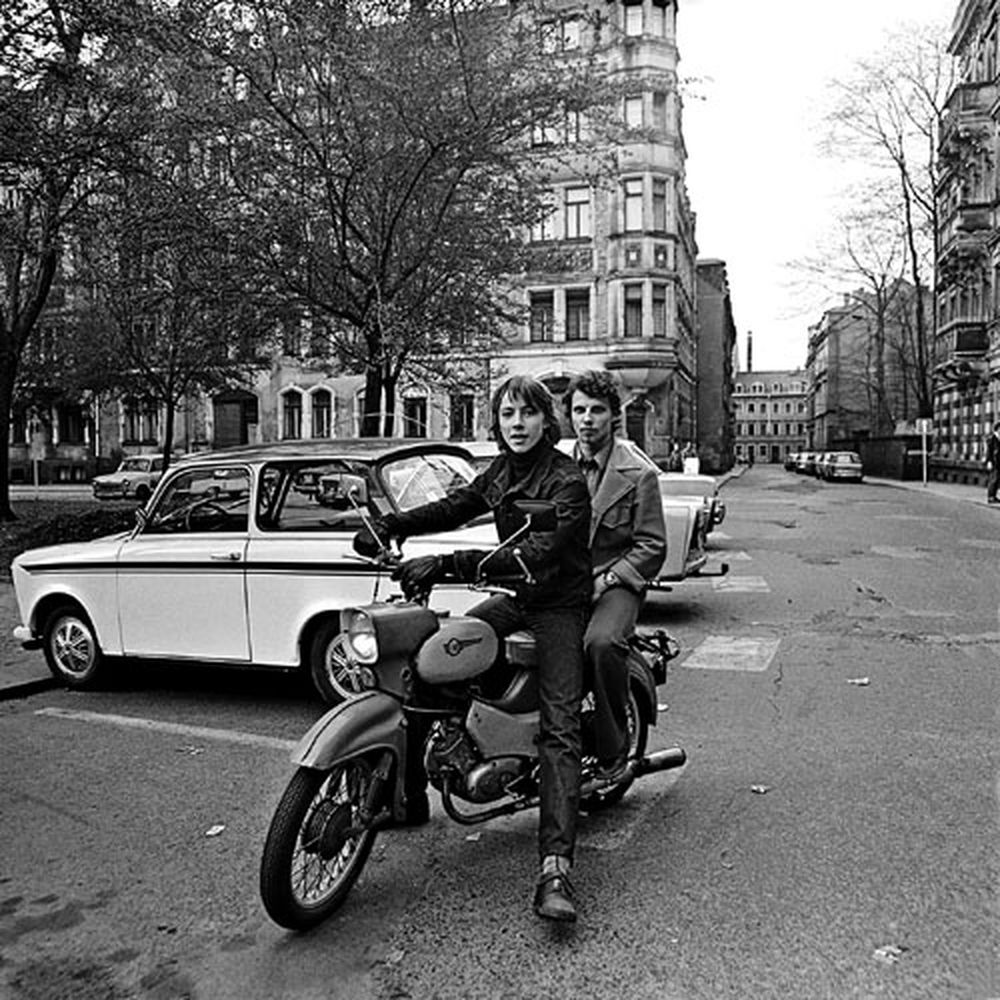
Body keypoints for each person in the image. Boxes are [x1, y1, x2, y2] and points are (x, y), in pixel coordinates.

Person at [357, 375, 591, 923]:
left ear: (545, 420)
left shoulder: (566, 480)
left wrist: (445, 564)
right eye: (507, 414)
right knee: (428, 663)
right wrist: (392, 526)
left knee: (560, 725)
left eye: (527, 413)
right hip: (515, 598)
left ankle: (556, 867)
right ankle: (409, 798)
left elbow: (539, 550)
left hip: (558, 605)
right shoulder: (503, 471)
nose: (516, 423)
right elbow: (456, 505)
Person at [565, 371, 666, 782]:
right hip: (566, 581)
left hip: (616, 582)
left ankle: (613, 746)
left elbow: (652, 546)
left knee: (601, 643)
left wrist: (606, 581)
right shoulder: (558, 467)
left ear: (613, 416)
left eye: (597, 411)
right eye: (579, 410)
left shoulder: (639, 474)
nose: (587, 419)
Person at [987, 421, 1000, 503]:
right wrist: (989, 461)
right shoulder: (992, 439)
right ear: (997, 429)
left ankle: (994, 496)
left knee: (997, 479)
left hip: (999, 463)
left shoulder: (999, 438)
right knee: (994, 479)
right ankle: (990, 497)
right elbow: (989, 451)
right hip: (994, 462)